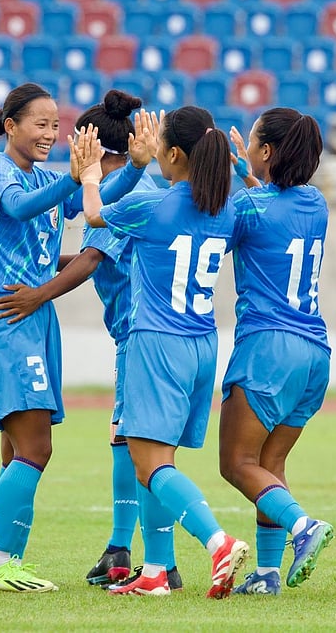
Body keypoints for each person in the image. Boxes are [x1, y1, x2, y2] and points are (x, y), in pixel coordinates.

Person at [0, 90, 184, 591]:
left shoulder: (65, 182)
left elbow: (94, 221)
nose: (54, 135)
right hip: (15, 315)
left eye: (59, 126)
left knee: (26, 447)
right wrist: (81, 177)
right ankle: (1, 562)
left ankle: (13, 561)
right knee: (38, 446)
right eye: (44, 125)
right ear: (10, 125)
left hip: (55, 319)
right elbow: (24, 208)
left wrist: (131, 170)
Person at [80, 106, 249, 599]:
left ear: (173, 154)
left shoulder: (149, 204)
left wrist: (92, 175)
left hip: (156, 343)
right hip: (202, 344)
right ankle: (155, 571)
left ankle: (218, 542)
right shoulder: (228, 209)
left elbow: (93, 215)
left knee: (150, 463)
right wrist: (246, 174)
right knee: (157, 461)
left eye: (160, 149)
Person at [218, 108, 334, 596]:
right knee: (269, 464)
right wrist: (249, 173)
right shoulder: (317, 204)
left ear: (266, 151)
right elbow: (276, 207)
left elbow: (231, 224)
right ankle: (266, 575)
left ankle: (303, 526)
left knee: (236, 463)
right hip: (314, 355)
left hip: (268, 349)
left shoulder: (248, 210)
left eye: (254, 145)